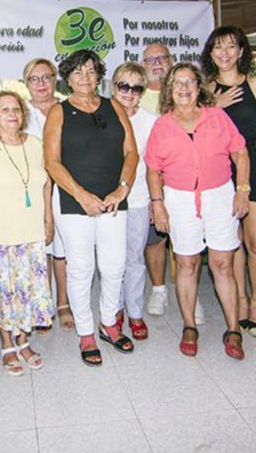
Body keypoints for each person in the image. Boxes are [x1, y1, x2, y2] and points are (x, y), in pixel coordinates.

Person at [145, 62, 250, 359]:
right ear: (169, 89)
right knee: (187, 264)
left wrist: (242, 190)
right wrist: (158, 205)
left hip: (220, 195)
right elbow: (153, 171)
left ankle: (233, 329)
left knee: (223, 264)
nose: (183, 88)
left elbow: (240, 154)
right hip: (179, 199)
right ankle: (189, 326)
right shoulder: (161, 125)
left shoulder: (217, 117)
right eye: (177, 83)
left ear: (198, 86)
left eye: (189, 82)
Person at [44, 49, 138, 366]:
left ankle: (109, 323)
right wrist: (82, 195)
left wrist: (121, 190)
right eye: (77, 72)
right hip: (73, 202)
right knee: (81, 268)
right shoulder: (59, 112)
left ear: (99, 74)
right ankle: (85, 332)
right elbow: (52, 163)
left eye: (90, 71)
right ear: (67, 78)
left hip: (113, 200)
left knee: (114, 266)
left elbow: (131, 154)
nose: (85, 77)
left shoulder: (115, 107)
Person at [201, 26, 256, 337]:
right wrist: (213, 108)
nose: (224, 53)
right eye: (218, 47)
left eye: (231, 47)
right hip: (220, 173)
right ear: (210, 53)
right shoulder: (204, 89)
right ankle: (242, 301)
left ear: (242, 52)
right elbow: (189, 130)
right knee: (230, 245)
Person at [0, 91, 54, 375]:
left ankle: (24, 340)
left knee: (27, 289)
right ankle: (8, 344)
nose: (12, 114)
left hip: (31, 232)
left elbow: (45, 185)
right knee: (5, 291)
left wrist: (48, 219)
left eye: (16, 109)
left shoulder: (36, 144)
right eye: (4, 109)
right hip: (0, 234)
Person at [140, 44, 196, 321]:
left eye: (162, 58)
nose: (157, 63)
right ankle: (159, 290)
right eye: (151, 59)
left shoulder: (187, 93)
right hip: (151, 180)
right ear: (143, 64)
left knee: (188, 242)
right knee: (156, 240)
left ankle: (190, 297)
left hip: (186, 181)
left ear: (171, 61)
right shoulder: (138, 94)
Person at [22, 58, 72, 331]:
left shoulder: (68, 107)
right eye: (34, 79)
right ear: (26, 83)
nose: (41, 84)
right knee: (39, 248)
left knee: (62, 247)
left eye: (46, 77)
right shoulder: (19, 112)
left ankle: (63, 303)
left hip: (64, 185)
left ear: (55, 79)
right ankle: (43, 304)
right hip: (31, 189)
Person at [110, 62, 156, 340]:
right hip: (107, 201)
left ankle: (135, 312)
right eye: (123, 86)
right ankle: (113, 310)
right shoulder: (101, 115)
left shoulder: (151, 121)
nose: (129, 92)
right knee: (111, 260)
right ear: (113, 86)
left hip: (138, 198)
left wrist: (156, 200)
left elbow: (154, 165)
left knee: (135, 259)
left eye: (136, 88)